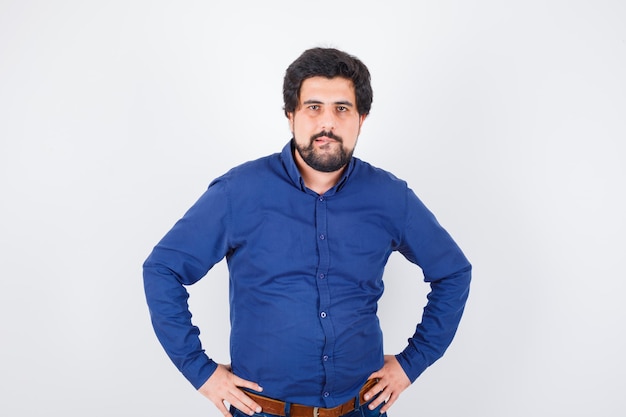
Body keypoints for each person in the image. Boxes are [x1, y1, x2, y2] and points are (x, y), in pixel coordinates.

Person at [143, 47, 471, 417]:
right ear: (291, 116)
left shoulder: (391, 197)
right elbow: (162, 269)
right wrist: (201, 373)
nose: (326, 123)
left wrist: (412, 362)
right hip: (263, 410)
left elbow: (453, 272)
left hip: (360, 408)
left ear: (361, 118)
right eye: (313, 107)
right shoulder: (239, 192)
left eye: (341, 109)